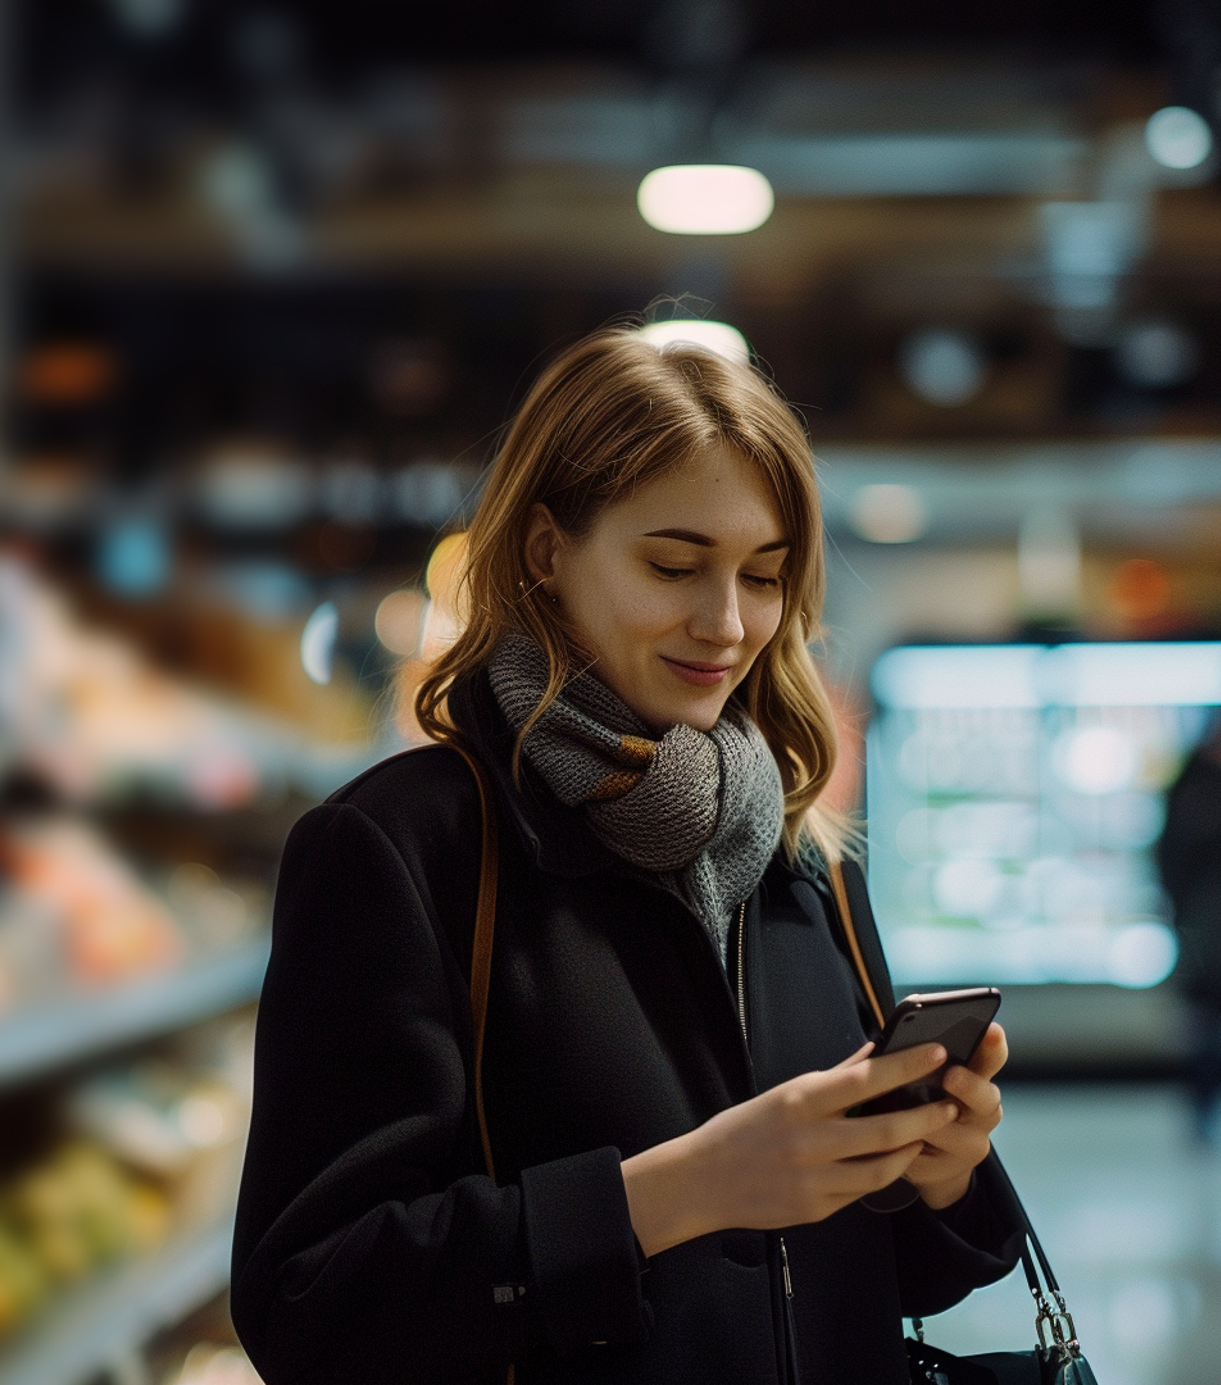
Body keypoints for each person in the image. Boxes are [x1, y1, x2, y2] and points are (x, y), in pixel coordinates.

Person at [233, 327, 1024, 1385]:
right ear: (546, 551)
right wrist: (675, 1192)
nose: (727, 621)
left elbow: (901, 1277)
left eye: (764, 573)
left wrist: (940, 1169)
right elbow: (311, 1305)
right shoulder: (401, 847)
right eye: (673, 564)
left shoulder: (806, 856)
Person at [1156, 705, 1221, 1140]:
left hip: (1201, 926)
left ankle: (1208, 1106)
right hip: (1210, 932)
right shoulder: (1208, 784)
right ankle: (1206, 1107)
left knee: (1209, 1021)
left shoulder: (1193, 779)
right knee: (1211, 1023)